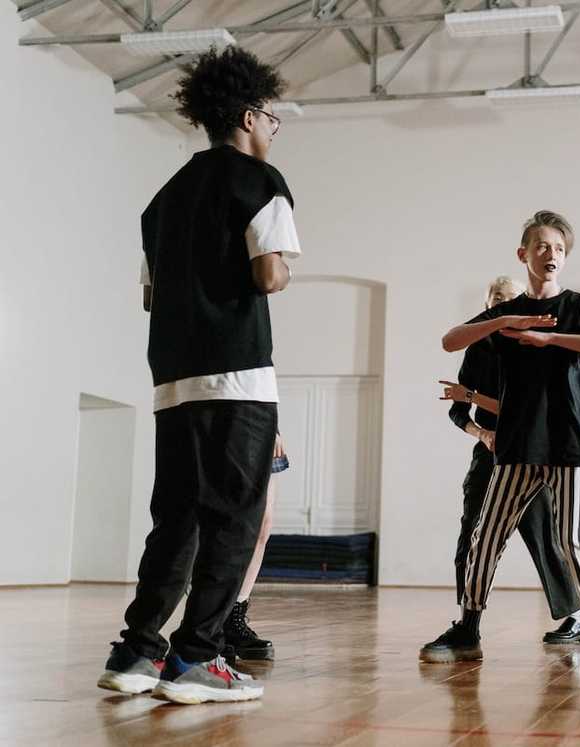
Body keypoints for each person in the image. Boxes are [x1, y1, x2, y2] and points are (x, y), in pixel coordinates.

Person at [97, 46, 300, 704]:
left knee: (176, 518)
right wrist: (281, 267)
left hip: (173, 383)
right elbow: (270, 274)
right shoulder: (262, 182)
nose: (275, 128)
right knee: (235, 521)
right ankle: (198, 657)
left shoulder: (162, 202)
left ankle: (135, 652)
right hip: (239, 378)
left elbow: (152, 298)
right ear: (248, 115)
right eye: (273, 117)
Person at [420, 210, 580, 668]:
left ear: (565, 258)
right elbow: (450, 341)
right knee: (486, 534)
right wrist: (499, 323)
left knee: (573, 538)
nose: (551, 254)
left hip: (571, 440)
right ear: (524, 254)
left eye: (558, 249)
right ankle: (468, 626)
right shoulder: (503, 314)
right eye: (542, 247)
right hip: (517, 443)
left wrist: (547, 340)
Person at [440, 275, 580, 644]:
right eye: (494, 300)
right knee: (472, 534)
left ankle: (576, 618)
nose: (499, 305)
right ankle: (467, 620)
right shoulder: (476, 349)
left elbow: (518, 408)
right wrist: (483, 434)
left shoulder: (530, 349)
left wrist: (472, 396)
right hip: (489, 453)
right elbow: (458, 411)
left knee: (546, 537)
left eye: (505, 300)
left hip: (529, 452)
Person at [221, 434, 290, 663]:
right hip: (221, 418)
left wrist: (274, 427)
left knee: (263, 524)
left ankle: (235, 616)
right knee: (223, 523)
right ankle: (212, 618)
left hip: (260, 420)